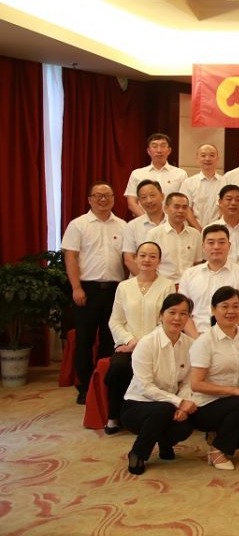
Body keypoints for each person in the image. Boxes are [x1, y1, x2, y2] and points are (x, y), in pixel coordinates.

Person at [62, 181, 128, 404]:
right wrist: (76, 288)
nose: (103, 199)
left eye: (107, 195)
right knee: (85, 340)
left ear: (113, 199)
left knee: (110, 340)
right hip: (86, 290)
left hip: (115, 290)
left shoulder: (123, 226)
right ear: (89, 199)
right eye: (98, 195)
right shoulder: (78, 225)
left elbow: (127, 259)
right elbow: (71, 257)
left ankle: (104, 385)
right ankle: (84, 387)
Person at [189, 286, 239, 470]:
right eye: (225, 306)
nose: (231, 311)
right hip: (206, 405)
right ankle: (218, 450)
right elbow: (196, 384)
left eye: (236, 306)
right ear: (213, 310)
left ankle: (221, 437)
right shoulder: (205, 341)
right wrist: (233, 391)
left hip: (236, 401)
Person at [121, 294, 197, 475]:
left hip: (169, 405)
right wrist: (178, 402)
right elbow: (145, 387)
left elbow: (188, 381)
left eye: (183, 314)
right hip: (137, 406)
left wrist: (183, 406)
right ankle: (138, 453)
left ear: (188, 318)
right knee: (164, 409)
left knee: (186, 424)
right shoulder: (147, 344)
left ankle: (164, 442)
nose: (177, 318)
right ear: (161, 315)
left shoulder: (190, 344)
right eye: (172, 312)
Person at [105, 241, 176, 434]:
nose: (147, 260)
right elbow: (115, 320)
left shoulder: (167, 286)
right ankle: (114, 416)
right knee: (119, 367)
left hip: (155, 346)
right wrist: (130, 341)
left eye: (153, 256)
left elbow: (167, 320)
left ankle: (150, 418)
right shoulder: (124, 287)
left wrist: (143, 344)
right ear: (135, 258)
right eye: (142, 255)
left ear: (159, 261)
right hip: (127, 345)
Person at [178, 225, 239, 338]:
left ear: (229, 246)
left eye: (221, 242)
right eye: (211, 243)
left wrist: (224, 335)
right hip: (195, 337)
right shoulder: (189, 275)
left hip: (231, 337)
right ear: (203, 246)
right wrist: (197, 340)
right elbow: (183, 311)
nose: (216, 247)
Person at [124, 133, 186, 217]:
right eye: (154, 146)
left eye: (163, 146)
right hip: (144, 222)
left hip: (172, 222)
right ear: (148, 151)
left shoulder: (180, 174)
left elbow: (184, 202)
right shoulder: (137, 174)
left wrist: (167, 221)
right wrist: (148, 220)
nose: (159, 150)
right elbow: (132, 203)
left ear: (169, 150)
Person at [146, 192, 202, 281]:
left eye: (184, 207)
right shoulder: (154, 234)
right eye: (176, 207)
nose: (181, 210)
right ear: (165, 209)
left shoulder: (195, 234)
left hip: (190, 283)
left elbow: (197, 263)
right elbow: (149, 264)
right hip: (163, 283)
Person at [123, 180, 166, 275]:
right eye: (143, 197)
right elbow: (129, 259)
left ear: (162, 196)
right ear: (139, 201)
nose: (149, 201)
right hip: (141, 280)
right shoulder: (132, 226)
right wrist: (147, 280)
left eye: (152, 195)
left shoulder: (173, 223)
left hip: (170, 281)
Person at [180, 143, 223, 229]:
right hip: (195, 231)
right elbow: (187, 209)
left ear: (217, 159)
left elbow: (225, 208)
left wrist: (217, 229)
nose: (207, 159)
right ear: (197, 159)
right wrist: (199, 230)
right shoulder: (188, 183)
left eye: (212, 155)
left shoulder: (225, 182)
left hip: (219, 230)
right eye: (203, 155)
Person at [207, 184, 239, 265]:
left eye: (238, 200)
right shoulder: (210, 229)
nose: (233, 203)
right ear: (220, 202)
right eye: (229, 199)